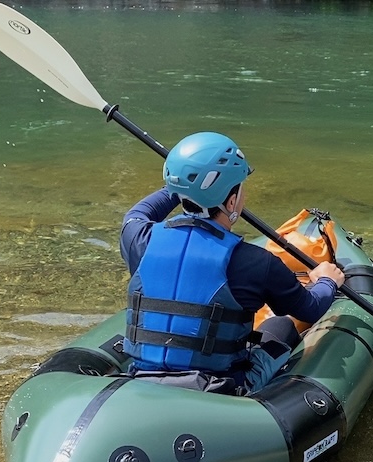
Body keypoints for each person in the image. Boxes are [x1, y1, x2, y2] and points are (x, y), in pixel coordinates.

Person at [119, 131, 345, 394]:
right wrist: (327, 280)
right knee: (280, 326)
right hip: (218, 391)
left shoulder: (139, 239)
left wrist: (182, 185)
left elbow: (138, 212)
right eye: (240, 187)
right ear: (231, 200)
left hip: (141, 378)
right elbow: (310, 309)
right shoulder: (255, 261)